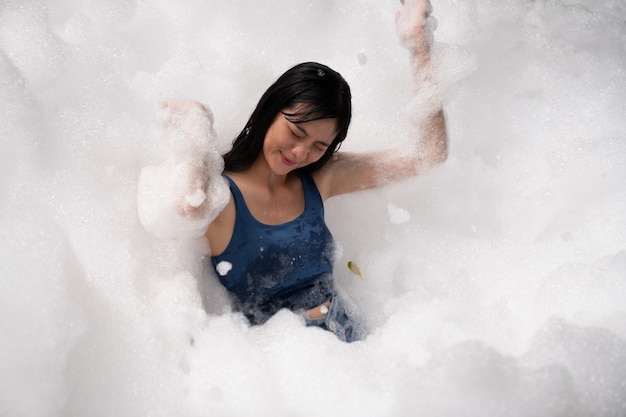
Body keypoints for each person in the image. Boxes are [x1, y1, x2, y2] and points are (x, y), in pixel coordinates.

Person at [144, 0, 447, 342]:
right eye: (296, 132)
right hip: (290, 370)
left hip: (357, 348)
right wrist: (199, 126)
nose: (301, 152)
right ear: (269, 110)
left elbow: (427, 153)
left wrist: (419, 46)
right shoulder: (222, 197)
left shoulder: (320, 179)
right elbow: (189, 206)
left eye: (319, 146)